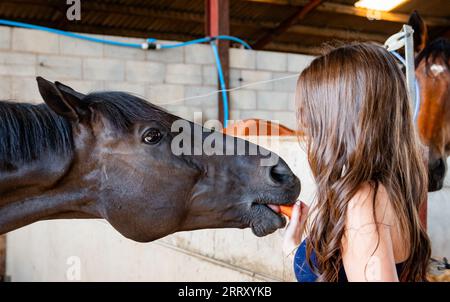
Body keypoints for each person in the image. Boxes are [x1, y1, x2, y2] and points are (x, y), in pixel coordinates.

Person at [282, 43, 431, 282]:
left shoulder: (364, 199)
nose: (307, 124)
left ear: (342, 118)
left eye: (314, 112)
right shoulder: (390, 188)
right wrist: (293, 246)